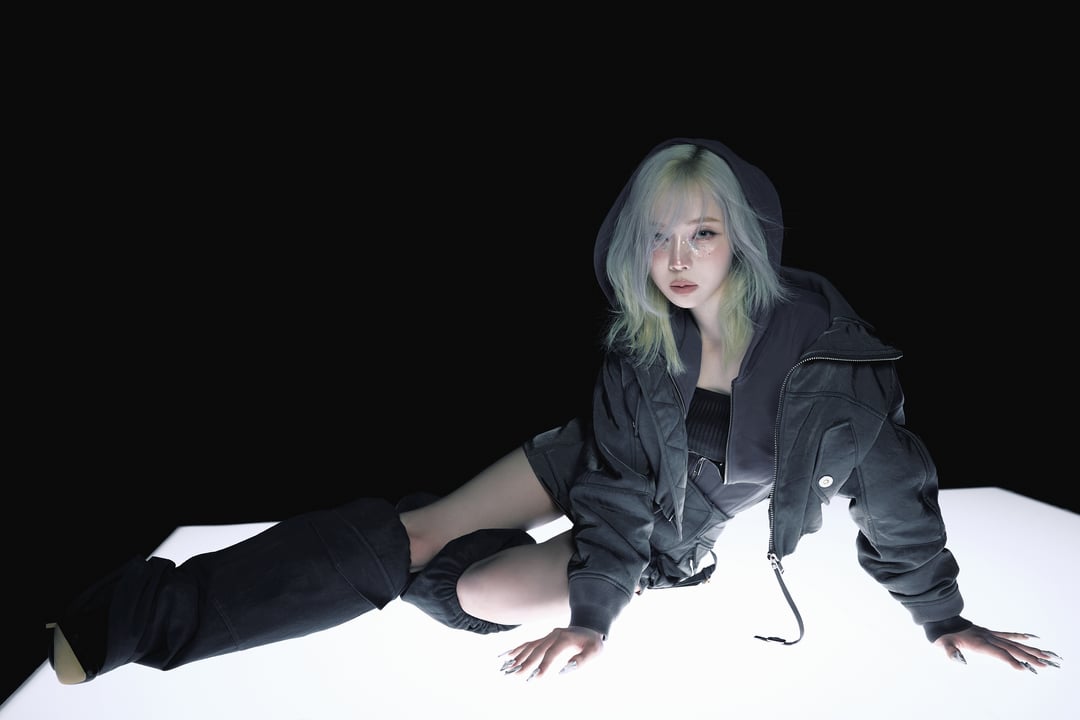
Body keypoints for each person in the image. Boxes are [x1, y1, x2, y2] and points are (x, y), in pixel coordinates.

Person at [47, 137, 1060, 686]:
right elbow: (611, 474)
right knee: (407, 534)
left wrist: (942, 617)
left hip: (665, 535)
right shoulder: (643, 335)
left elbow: (894, 491)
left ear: (744, 238)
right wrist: (588, 593)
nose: (676, 259)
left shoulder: (826, 347)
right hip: (592, 465)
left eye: (702, 235)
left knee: (458, 588)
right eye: (659, 236)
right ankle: (139, 616)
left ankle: (390, 553)